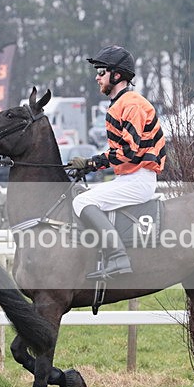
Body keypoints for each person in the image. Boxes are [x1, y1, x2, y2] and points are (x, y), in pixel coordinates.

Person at [69, 45, 166, 279]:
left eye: (101, 72)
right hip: (130, 176)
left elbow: (129, 151)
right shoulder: (120, 103)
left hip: (139, 178)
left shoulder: (131, 104)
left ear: (117, 75)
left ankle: (118, 257)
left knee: (82, 202)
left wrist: (91, 163)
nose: (97, 77)